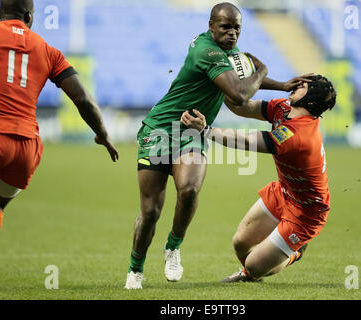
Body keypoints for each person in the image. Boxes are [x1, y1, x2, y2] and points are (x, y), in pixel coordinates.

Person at [125, 1, 310, 289]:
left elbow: (242, 81)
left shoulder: (228, 53)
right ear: (211, 26)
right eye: (225, 27)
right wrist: (262, 70)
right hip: (160, 129)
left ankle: (173, 247)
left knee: (188, 190)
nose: (232, 33)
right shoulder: (206, 51)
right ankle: (135, 269)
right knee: (151, 212)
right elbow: (237, 94)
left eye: (237, 28)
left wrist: (283, 85)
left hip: (192, 130)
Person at [0, 0, 119, 256]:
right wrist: (102, 134)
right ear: (29, 17)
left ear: (0, 12)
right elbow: (83, 99)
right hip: (26, 147)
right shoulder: (48, 50)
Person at [180, 74, 336, 282]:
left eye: (304, 86)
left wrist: (205, 130)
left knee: (253, 266)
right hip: (284, 192)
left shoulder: (299, 136)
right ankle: (261, 265)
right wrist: (222, 85)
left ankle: (292, 253)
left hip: (307, 213)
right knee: (240, 244)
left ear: (310, 99)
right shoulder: (284, 108)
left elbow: (247, 141)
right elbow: (244, 107)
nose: (297, 84)